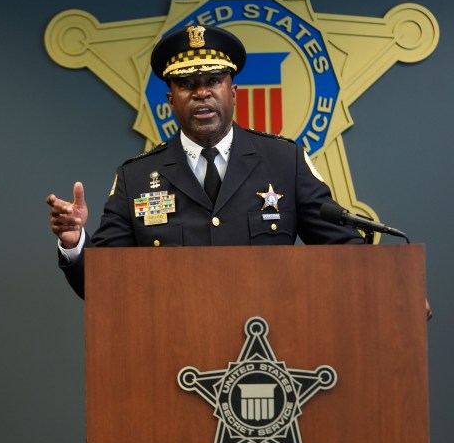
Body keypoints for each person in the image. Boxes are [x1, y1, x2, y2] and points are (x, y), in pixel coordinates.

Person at [47, 24, 365, 299]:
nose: (201, 93)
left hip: (270, 343)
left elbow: (345, 252)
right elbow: (103, 284)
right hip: (175, 347)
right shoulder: (137, 177)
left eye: (213, 81)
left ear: (233, 91)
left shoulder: (284, 161)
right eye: (186, 84)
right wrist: (75, 244)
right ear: (171, 99)